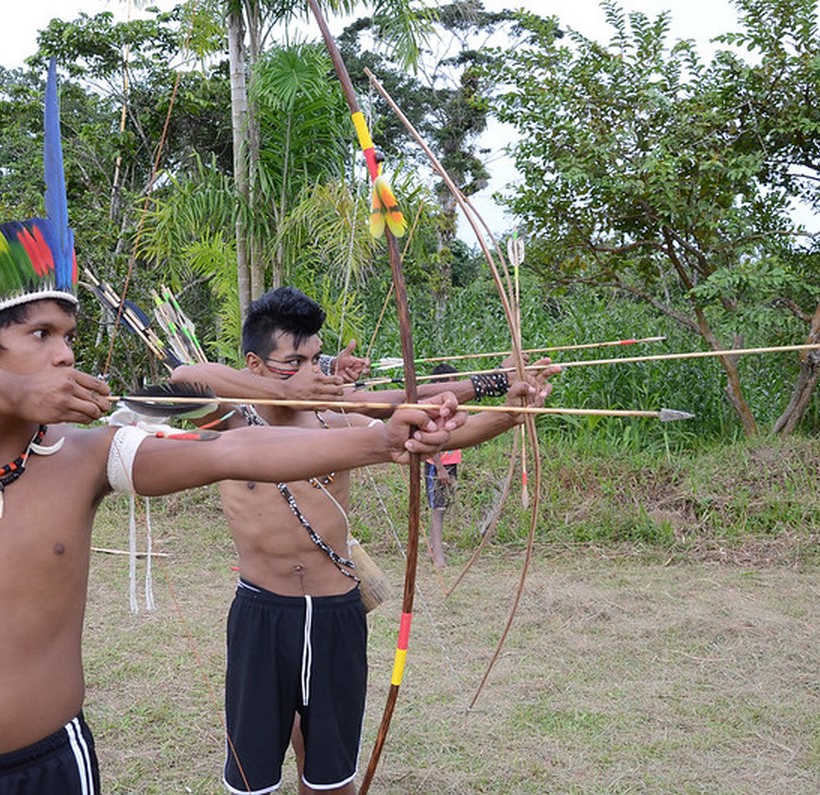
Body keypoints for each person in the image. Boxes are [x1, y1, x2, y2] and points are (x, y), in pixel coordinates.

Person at [0, 222, 465, 795]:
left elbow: (232, 450)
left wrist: (381, 440)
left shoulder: (87, 455)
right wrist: (14, 394)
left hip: (48, 764)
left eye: (69, 336)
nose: (64, 354)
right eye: (40, 334)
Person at [169, 286, 559, 795]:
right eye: (294, 362)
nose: (311, 372)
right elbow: (184, 376)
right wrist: (281, 393)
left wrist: (508, 410)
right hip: (262, 612)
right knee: (252, 779)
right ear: (254, 365)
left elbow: (423, 419)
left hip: (336, 611)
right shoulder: (228, 424)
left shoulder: (339, 421)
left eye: (315, 360)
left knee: (331, 778)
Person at [424, 364, 462, 569]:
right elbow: (430, 441)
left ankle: (434, 548)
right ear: (438, 384)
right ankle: (438, 557)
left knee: (442, 507)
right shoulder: (433, 408)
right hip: (437, 465)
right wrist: (439, 467)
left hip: (450, 462)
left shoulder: (450, 406)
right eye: (451, 382)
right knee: (437, 509)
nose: (454, 387)